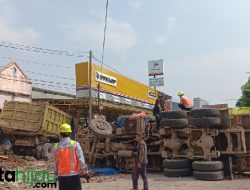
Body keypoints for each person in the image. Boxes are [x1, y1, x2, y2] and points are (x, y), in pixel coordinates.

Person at [53, 123, 88, 190]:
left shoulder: (56, 146)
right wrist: (85, 172)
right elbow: (81, 159)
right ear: (69, 133)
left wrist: (56, 174)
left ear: (60, 134)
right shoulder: (75, 144)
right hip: (73, 176)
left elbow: (55, 162)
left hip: (62, 176)